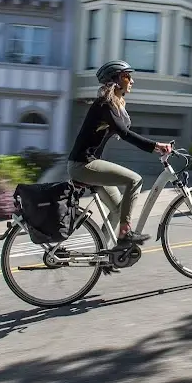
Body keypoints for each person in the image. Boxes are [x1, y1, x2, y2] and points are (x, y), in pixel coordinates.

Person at [67, 60, 172, 246]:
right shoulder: (105, 105)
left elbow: (123, 131)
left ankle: (101, 255)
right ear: (115, 81)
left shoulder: (112, 106)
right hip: (83, 165)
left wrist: (155, 147)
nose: (131, 81)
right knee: (135, 180)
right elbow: (125, 134)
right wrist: (157, 146)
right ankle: (125, 233)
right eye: (126, 76)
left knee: (117, 209)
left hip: (86, 163)